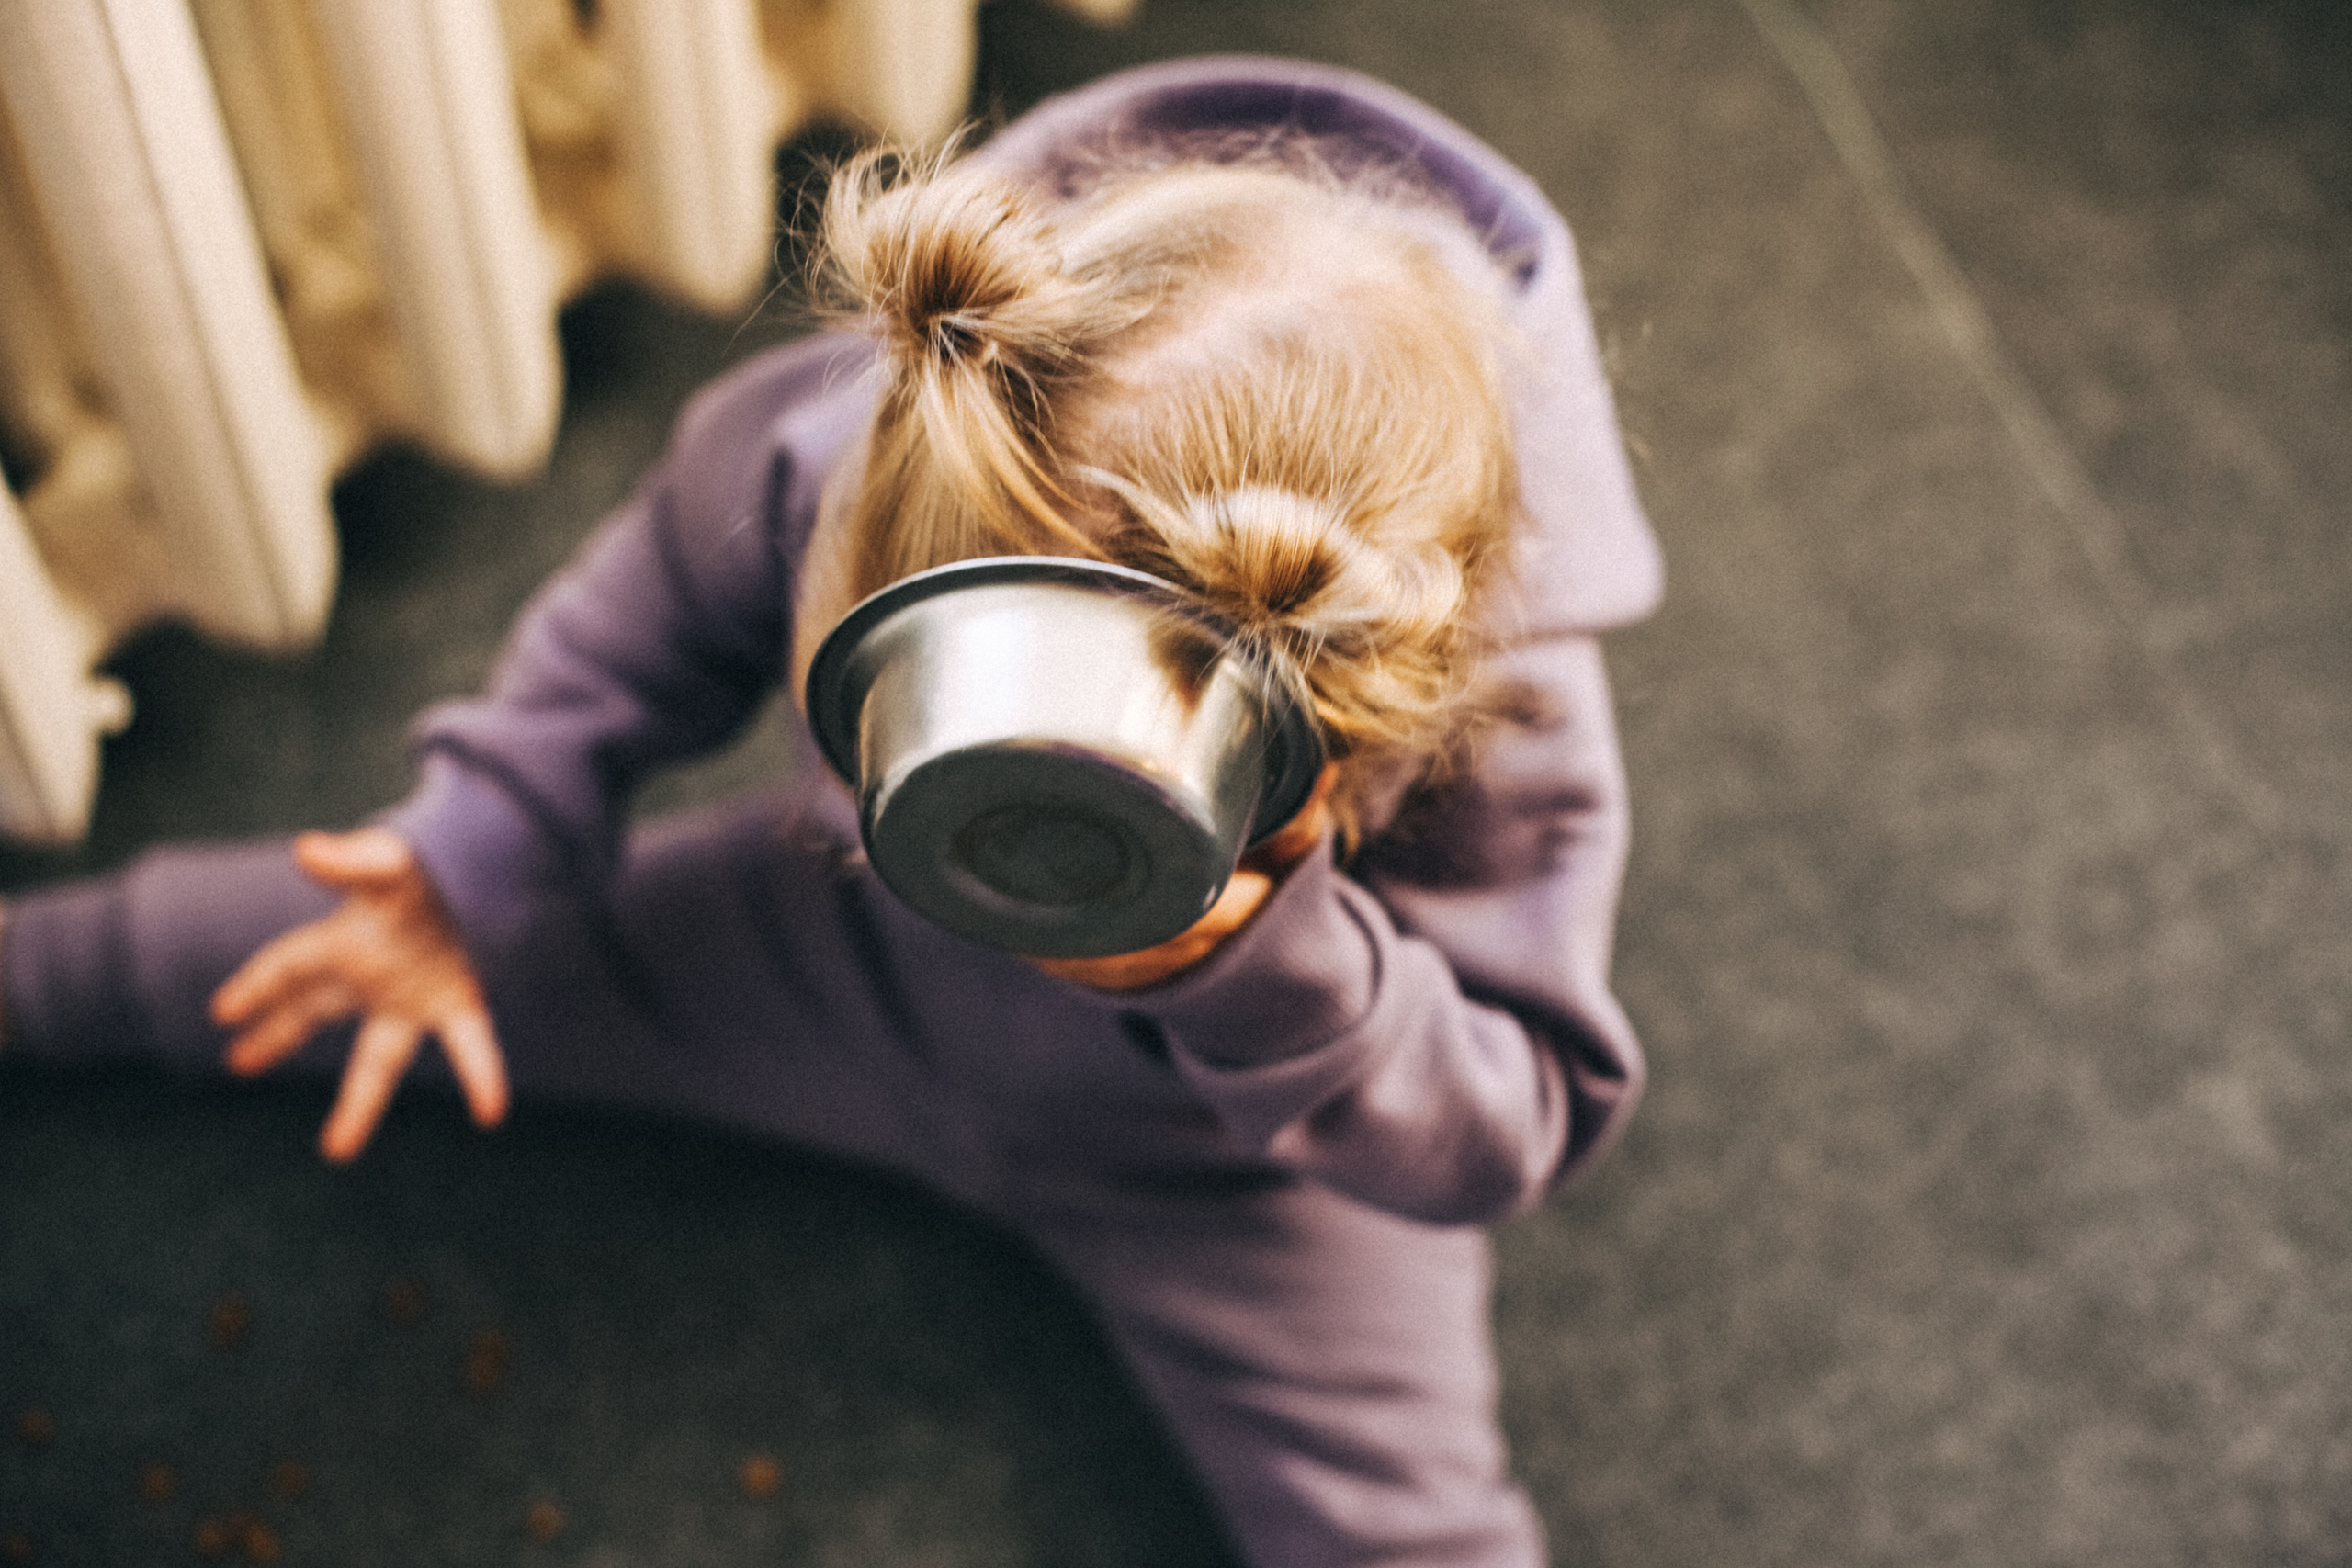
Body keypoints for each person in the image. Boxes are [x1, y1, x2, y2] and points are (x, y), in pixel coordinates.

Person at [0, 57, 1661, 1568]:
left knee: (1416, 1544)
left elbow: (1519, 1118)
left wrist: (1275, 976)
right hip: (832, 959)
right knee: (317, 928)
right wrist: (481, 849)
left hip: (1235, 1175)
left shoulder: (1493, 715)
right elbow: (649, 603)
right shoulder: (893, 424)